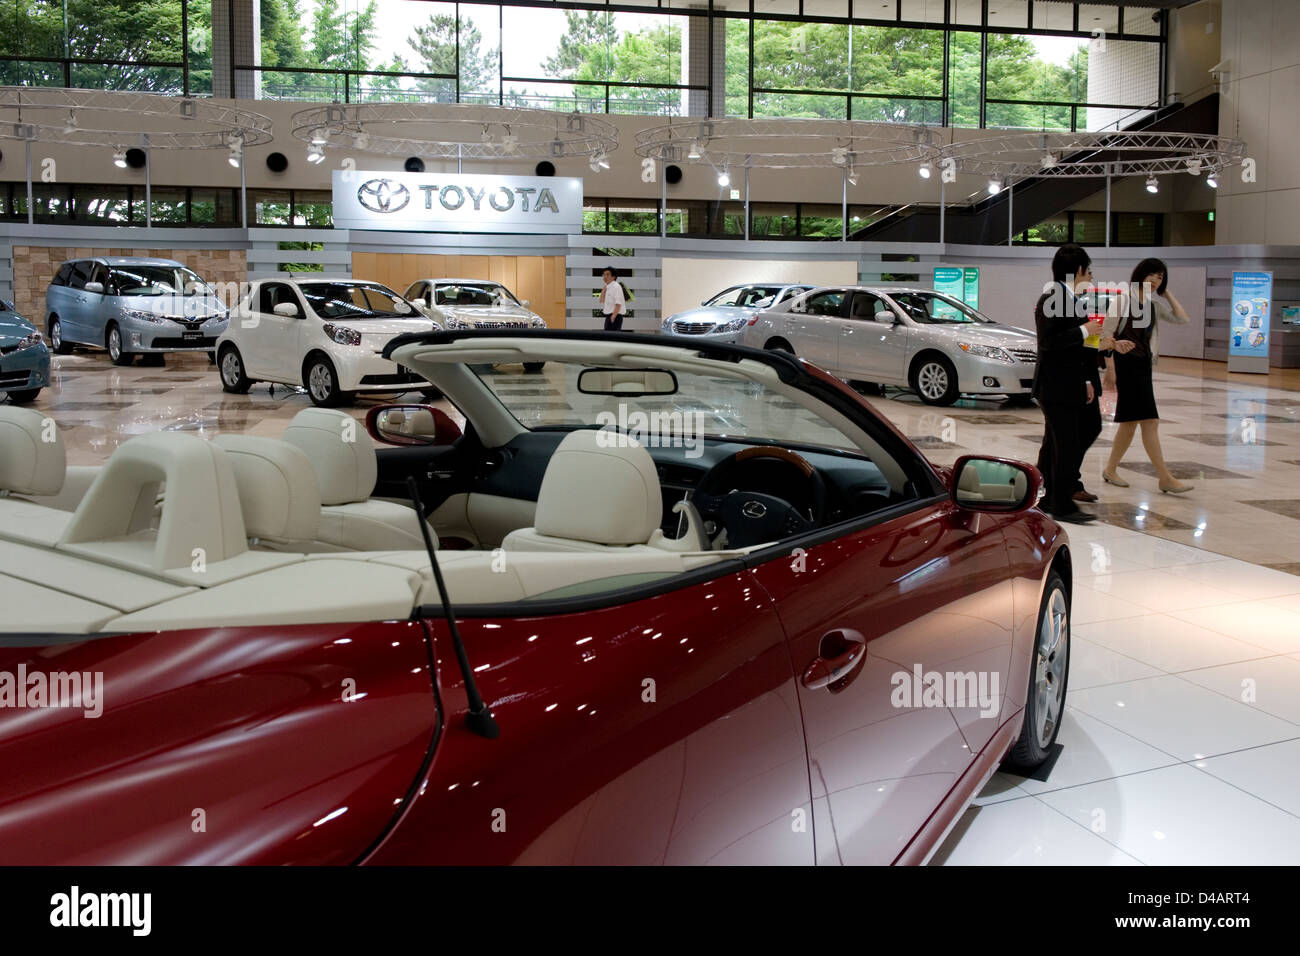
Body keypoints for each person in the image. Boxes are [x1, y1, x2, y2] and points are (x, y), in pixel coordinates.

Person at [1100, 257, 1193, 494]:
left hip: (1143, 365)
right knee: (1149, 421)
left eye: (1160, 277)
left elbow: (1182, 318)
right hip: (1126, 365)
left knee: (1130, 423)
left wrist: (1166, 292)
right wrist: (1110, 368)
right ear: (1140, 274)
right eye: (1151, 274)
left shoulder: (1153, 306)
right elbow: (1107, 335)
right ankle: (1165, 477)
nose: (1155, 280)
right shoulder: (1123, 300)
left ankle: (1110, 469)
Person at [1033, 244, 1105, 524]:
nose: (1090, 276)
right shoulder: (1052, 297)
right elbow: (1048, 343)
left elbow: (1078, 346)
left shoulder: (1070, 298)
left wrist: (1088, 378)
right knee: (1065, 442)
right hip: (1056, 386)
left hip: (1072, 383)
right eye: (1088, 270)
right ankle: (1061, 501)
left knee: (1062, 440)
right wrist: (1085, 330)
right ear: (1078, 270)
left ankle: (1048, 492)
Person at [599, 267, 625, 331]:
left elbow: (618, 303)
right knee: (608, 337)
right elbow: (601, 301)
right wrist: (604, 290)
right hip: (609, 316)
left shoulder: (616, 286)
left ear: (613, 277)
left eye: (607, 275)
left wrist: (613, 317)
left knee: (613, 338)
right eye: (604, 274)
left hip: (615, 316)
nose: (605, 277)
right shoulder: (608, 287)